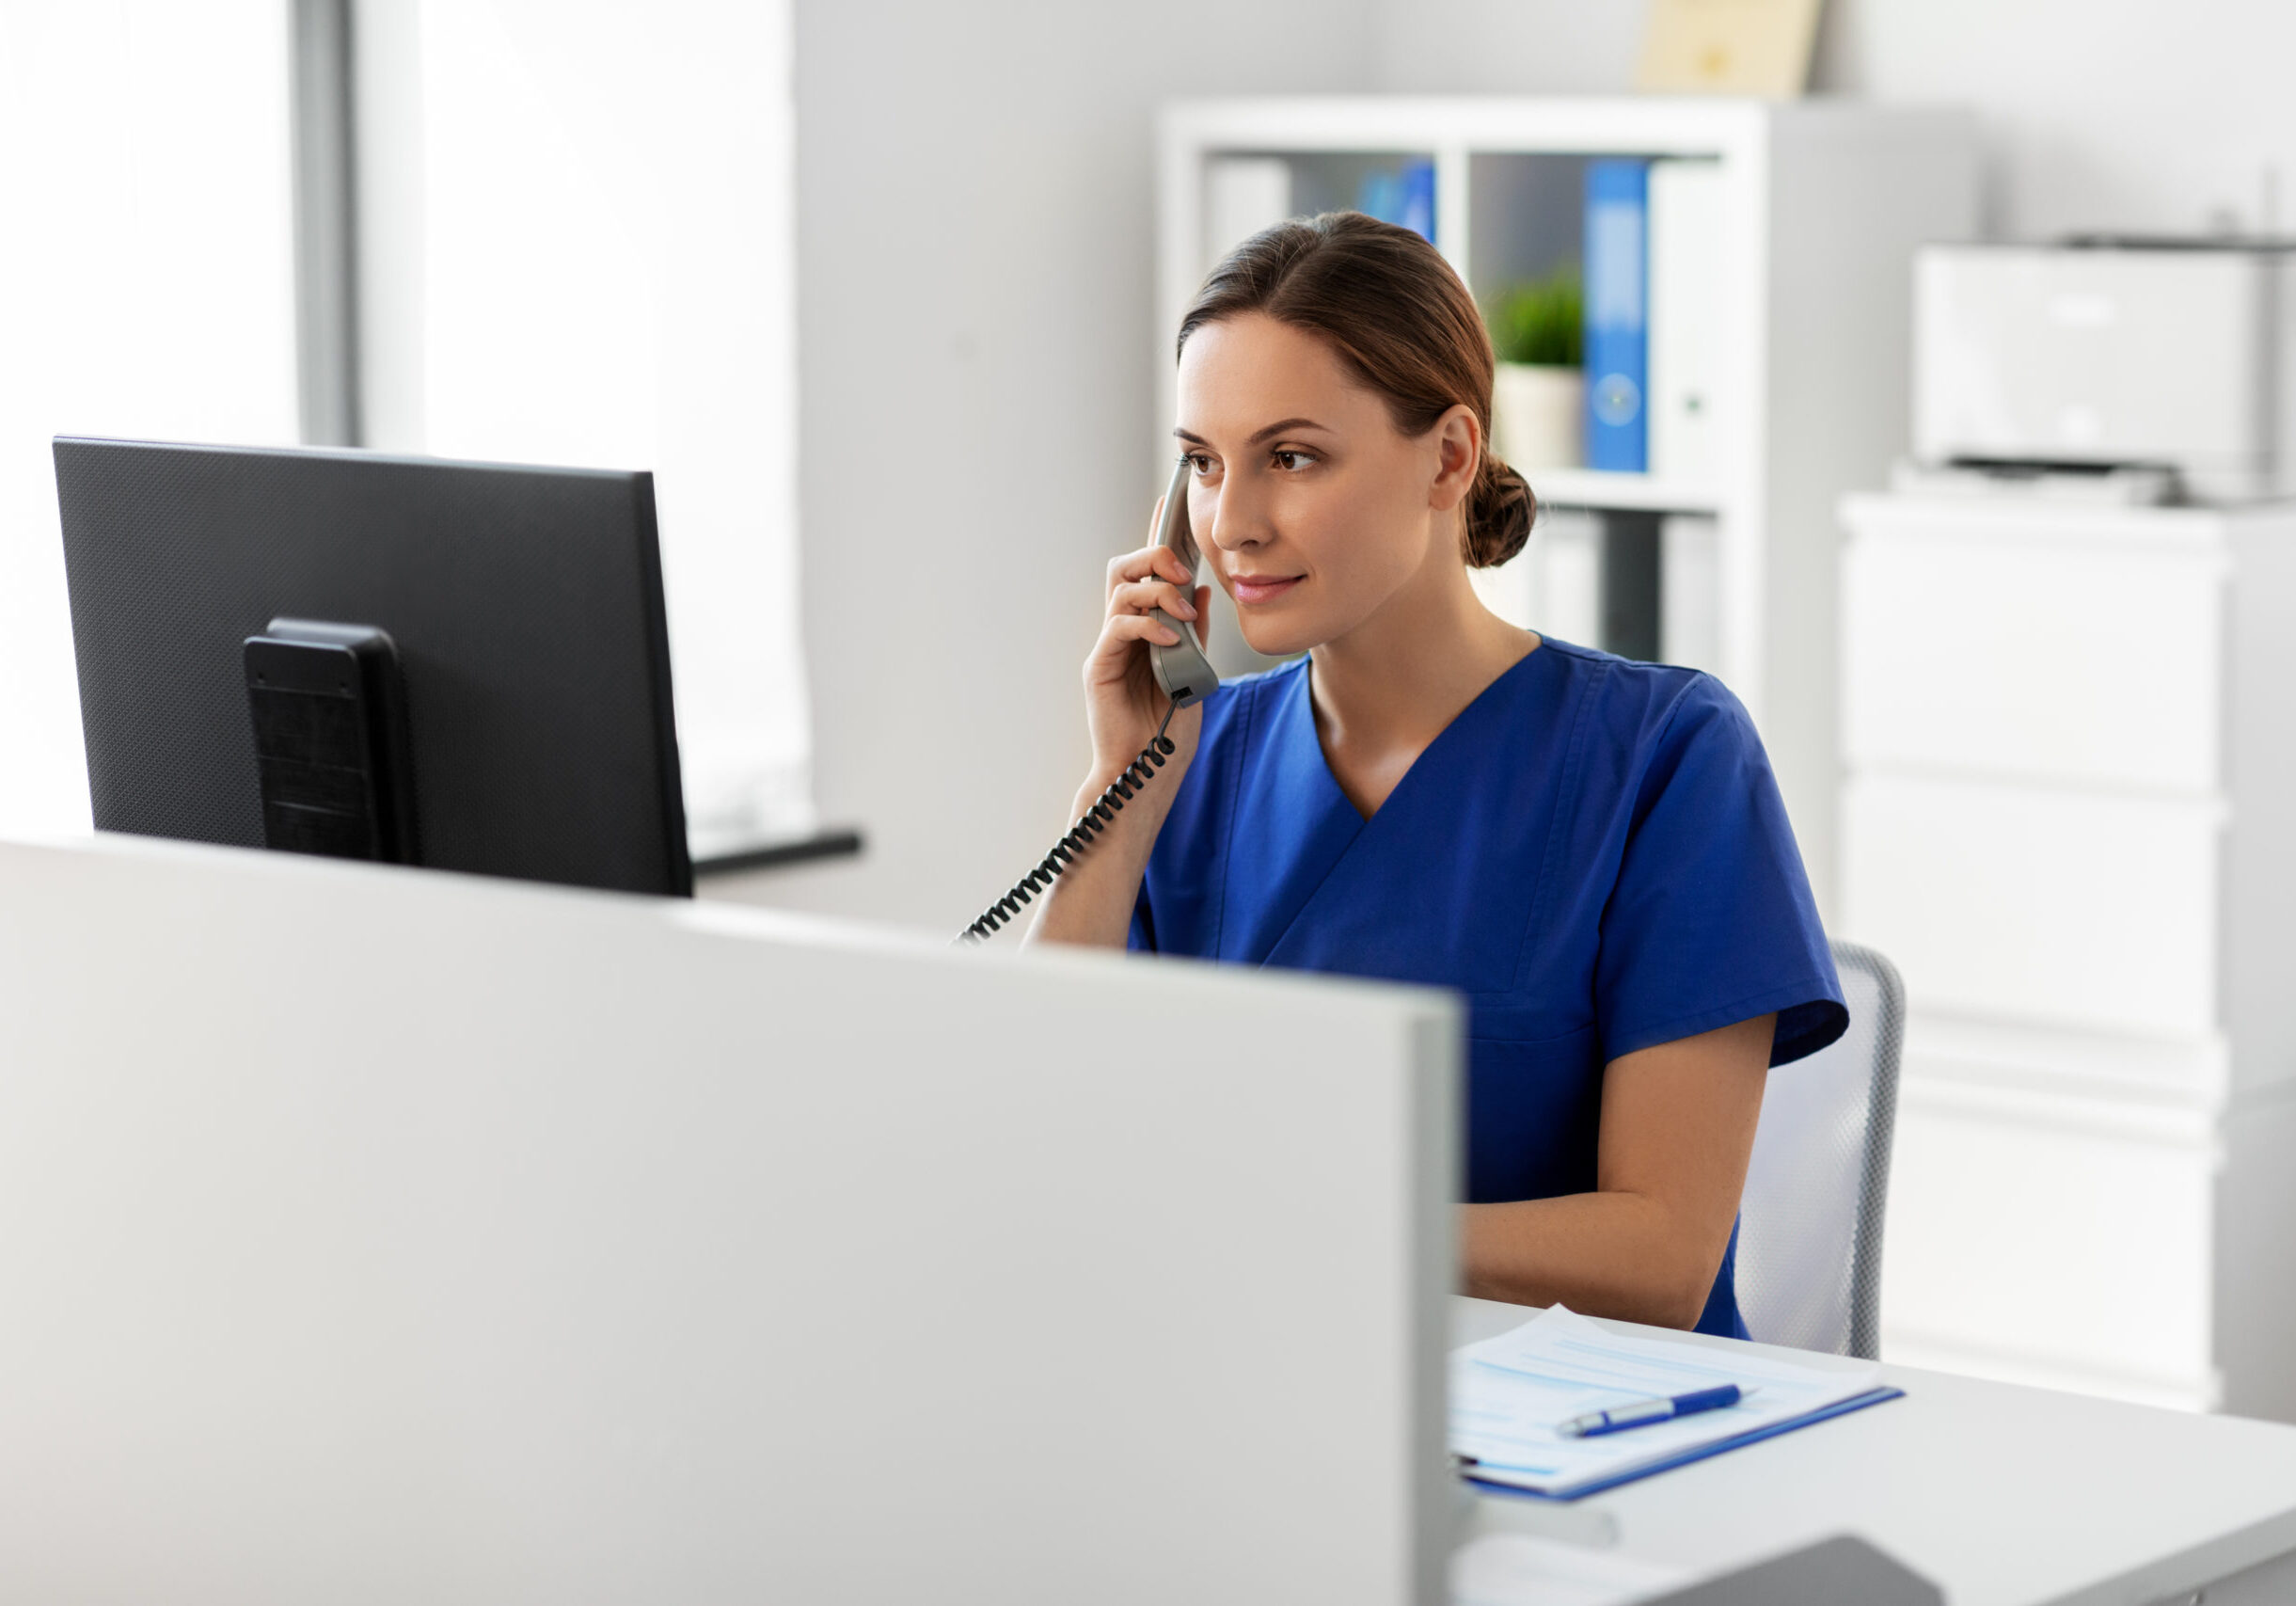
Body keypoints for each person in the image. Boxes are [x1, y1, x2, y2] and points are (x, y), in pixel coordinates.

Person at [1028, 212, 1845, 1337]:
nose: (1230, 525)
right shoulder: (1186, 766)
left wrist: (1310, 1221)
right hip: (1266, 1392)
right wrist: (1113, 795)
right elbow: (1035, 1149)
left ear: (1448, 457)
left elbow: (1661, 1255)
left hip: (1596, 1440)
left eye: (1292, 457)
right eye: (1203, 465)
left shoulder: (1665, 756)